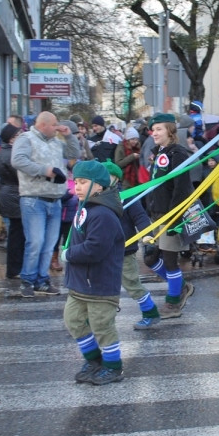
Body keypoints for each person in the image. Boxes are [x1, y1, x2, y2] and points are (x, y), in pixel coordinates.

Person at [62, 160, 126, 385]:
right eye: (76, 182)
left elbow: (95, 249)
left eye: (83, 182)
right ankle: (94, 360)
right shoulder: (85, 207)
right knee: (74, 320)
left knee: (102, 326)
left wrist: (68, 254)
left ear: (99, 186)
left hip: (99, 283)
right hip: (81, 281)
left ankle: (113, 366)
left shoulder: (103, 214)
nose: (77, 187)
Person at [11, 112, 80, 296]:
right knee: (36, 242)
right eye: (54, 124)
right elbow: (17, 160)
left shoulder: (56, 141)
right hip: (34, 198)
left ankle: (42, 280)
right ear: (43, 125)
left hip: (55, 199)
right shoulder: (26, 139)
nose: (57, 127)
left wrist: (68, 136)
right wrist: (44, 171)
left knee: (49, 244)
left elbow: (74, 153)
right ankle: (27, 280)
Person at [98, 161, 163, 329]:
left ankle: (150, 312)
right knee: (100, 285)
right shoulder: (96, 198)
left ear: (116, 178)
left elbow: (140, 217)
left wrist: (148, 236)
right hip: (102, 251)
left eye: (107, 176)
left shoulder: (126, 196)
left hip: (124, 250)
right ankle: (97, 319)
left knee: (132, 284)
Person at [143, 113, 195, 318]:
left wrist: (173, 218)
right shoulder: (158, 153)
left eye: (159, 129)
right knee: (150, 258)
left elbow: (182, 189)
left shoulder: (178, 154)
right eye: (153, 129)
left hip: (171, 215)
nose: (154, 133)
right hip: (156, 214)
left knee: (170, 260)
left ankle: (173, 301)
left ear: (170, 131)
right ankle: (181, 286)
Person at [0, 123, 24, 279]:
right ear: (12, 138)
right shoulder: (10, 153)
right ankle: (14, 269)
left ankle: (15, 268)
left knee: (17, 232)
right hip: (13, 195)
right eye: (19, 134)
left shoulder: (7, 152)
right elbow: (20, 173)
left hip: (11, 194)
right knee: (17, 233)